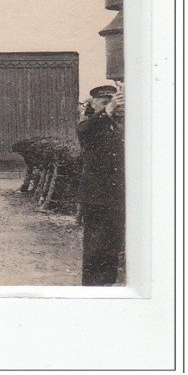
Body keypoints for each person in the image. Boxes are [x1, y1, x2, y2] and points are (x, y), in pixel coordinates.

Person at [76, 84, 125, 285]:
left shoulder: (118, 126)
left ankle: (108, 286)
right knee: (95, 247)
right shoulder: (89, 125)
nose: (110, 106)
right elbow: (86, 131)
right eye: (104, 103)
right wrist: (107, 111)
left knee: (113, 246)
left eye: (112, 102)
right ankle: (91, 288)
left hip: (116, 197)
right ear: (95, 105)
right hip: (95, 198)